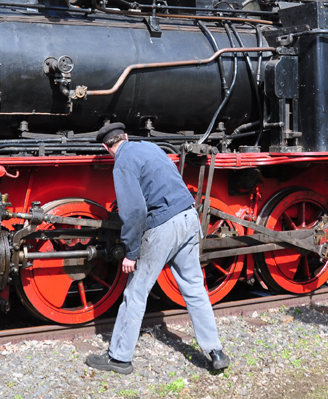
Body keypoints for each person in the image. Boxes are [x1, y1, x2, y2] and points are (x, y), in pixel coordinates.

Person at [85, 122, 230, 375]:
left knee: (136, 292)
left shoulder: (122, 162)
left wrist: (131, 252)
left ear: (105, 147)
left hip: (164, 225)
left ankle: (119, 358)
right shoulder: (151, 148)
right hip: (188, 217)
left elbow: (135, 211)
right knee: (195, 288)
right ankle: (215, 352)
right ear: (126, 137)